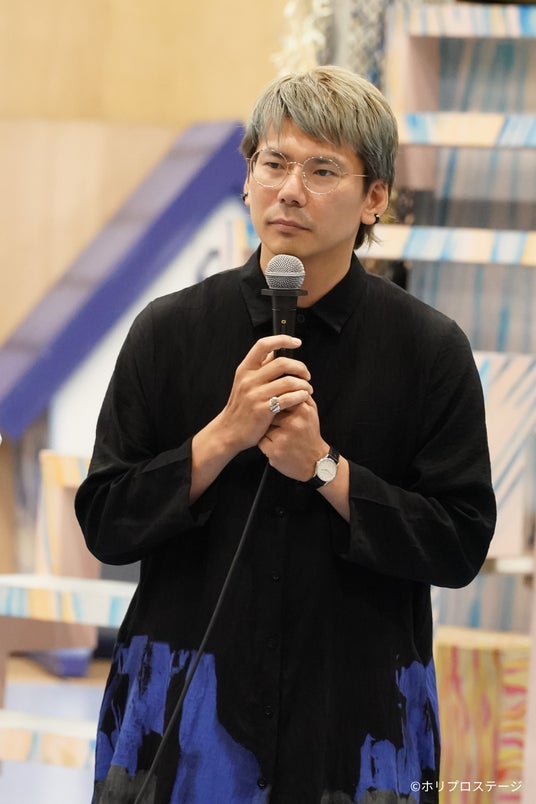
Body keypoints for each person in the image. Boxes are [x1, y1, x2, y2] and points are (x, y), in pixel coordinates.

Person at [75, 66, 496, 804]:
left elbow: (459, 544)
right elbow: (107, 522)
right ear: (247, 179)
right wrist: (221, 438)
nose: (290, 190)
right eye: (273, 163)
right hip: (181, 723)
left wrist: (327, 469)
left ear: (375, 198)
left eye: (322, 170)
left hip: (355, 727)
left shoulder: (429, 350)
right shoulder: (168, 331)